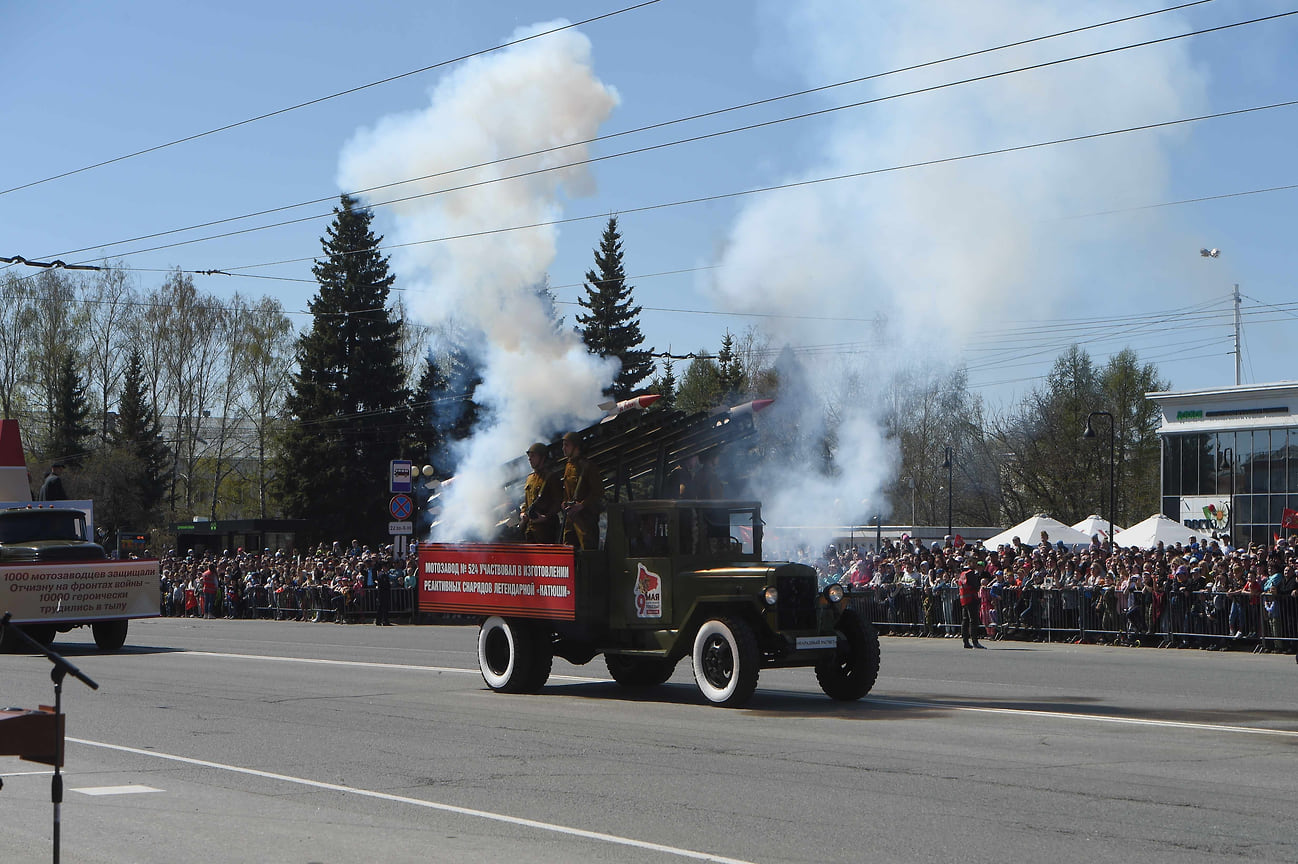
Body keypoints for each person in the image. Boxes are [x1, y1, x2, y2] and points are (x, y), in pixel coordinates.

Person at [560, 431, 603, 550]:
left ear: (576, 446)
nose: (563, 448)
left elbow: (598, 491)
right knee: (568, 551)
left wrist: (582, 505)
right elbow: (567, 489)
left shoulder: (588, 466)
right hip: (571, 518)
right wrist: (564, 502)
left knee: (588, 551)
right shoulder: (568, 466)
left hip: (585, 518)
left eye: (566, 445)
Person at [520, 442, 562, 543]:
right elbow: (526, 501)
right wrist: (523, 513)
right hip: (530, 529)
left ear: (542, 458)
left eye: (533, 456)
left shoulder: (551, 477)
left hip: (546, 529)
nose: (530, 459)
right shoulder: (530, 478)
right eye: (529, 456)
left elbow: (558, 502)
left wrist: (546, 517)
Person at [959, 558, 987, 648]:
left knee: (965, 620)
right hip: (971, 599)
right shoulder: (970, 573)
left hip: (964, 600)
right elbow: (975, 586)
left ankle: (966, 641)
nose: (975, 565)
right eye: (973, 563)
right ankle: (975, 641)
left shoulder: (963, 574)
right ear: (969, 563)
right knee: (973, 621)